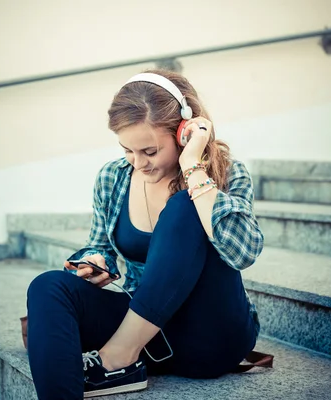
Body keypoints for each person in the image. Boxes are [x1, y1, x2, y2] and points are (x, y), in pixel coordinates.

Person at [26, 68, 264, 399]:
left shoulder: (225, 173)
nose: (138, 162)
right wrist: (96, 261)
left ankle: (116, 359)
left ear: (183, 132)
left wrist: (193, 167)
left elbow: (244, 253)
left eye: (149, 151)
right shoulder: (113, 177)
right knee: (47, 288)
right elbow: (100, 245)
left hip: (211, 335)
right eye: (128, 150)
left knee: (184, 206)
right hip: (149, 330)